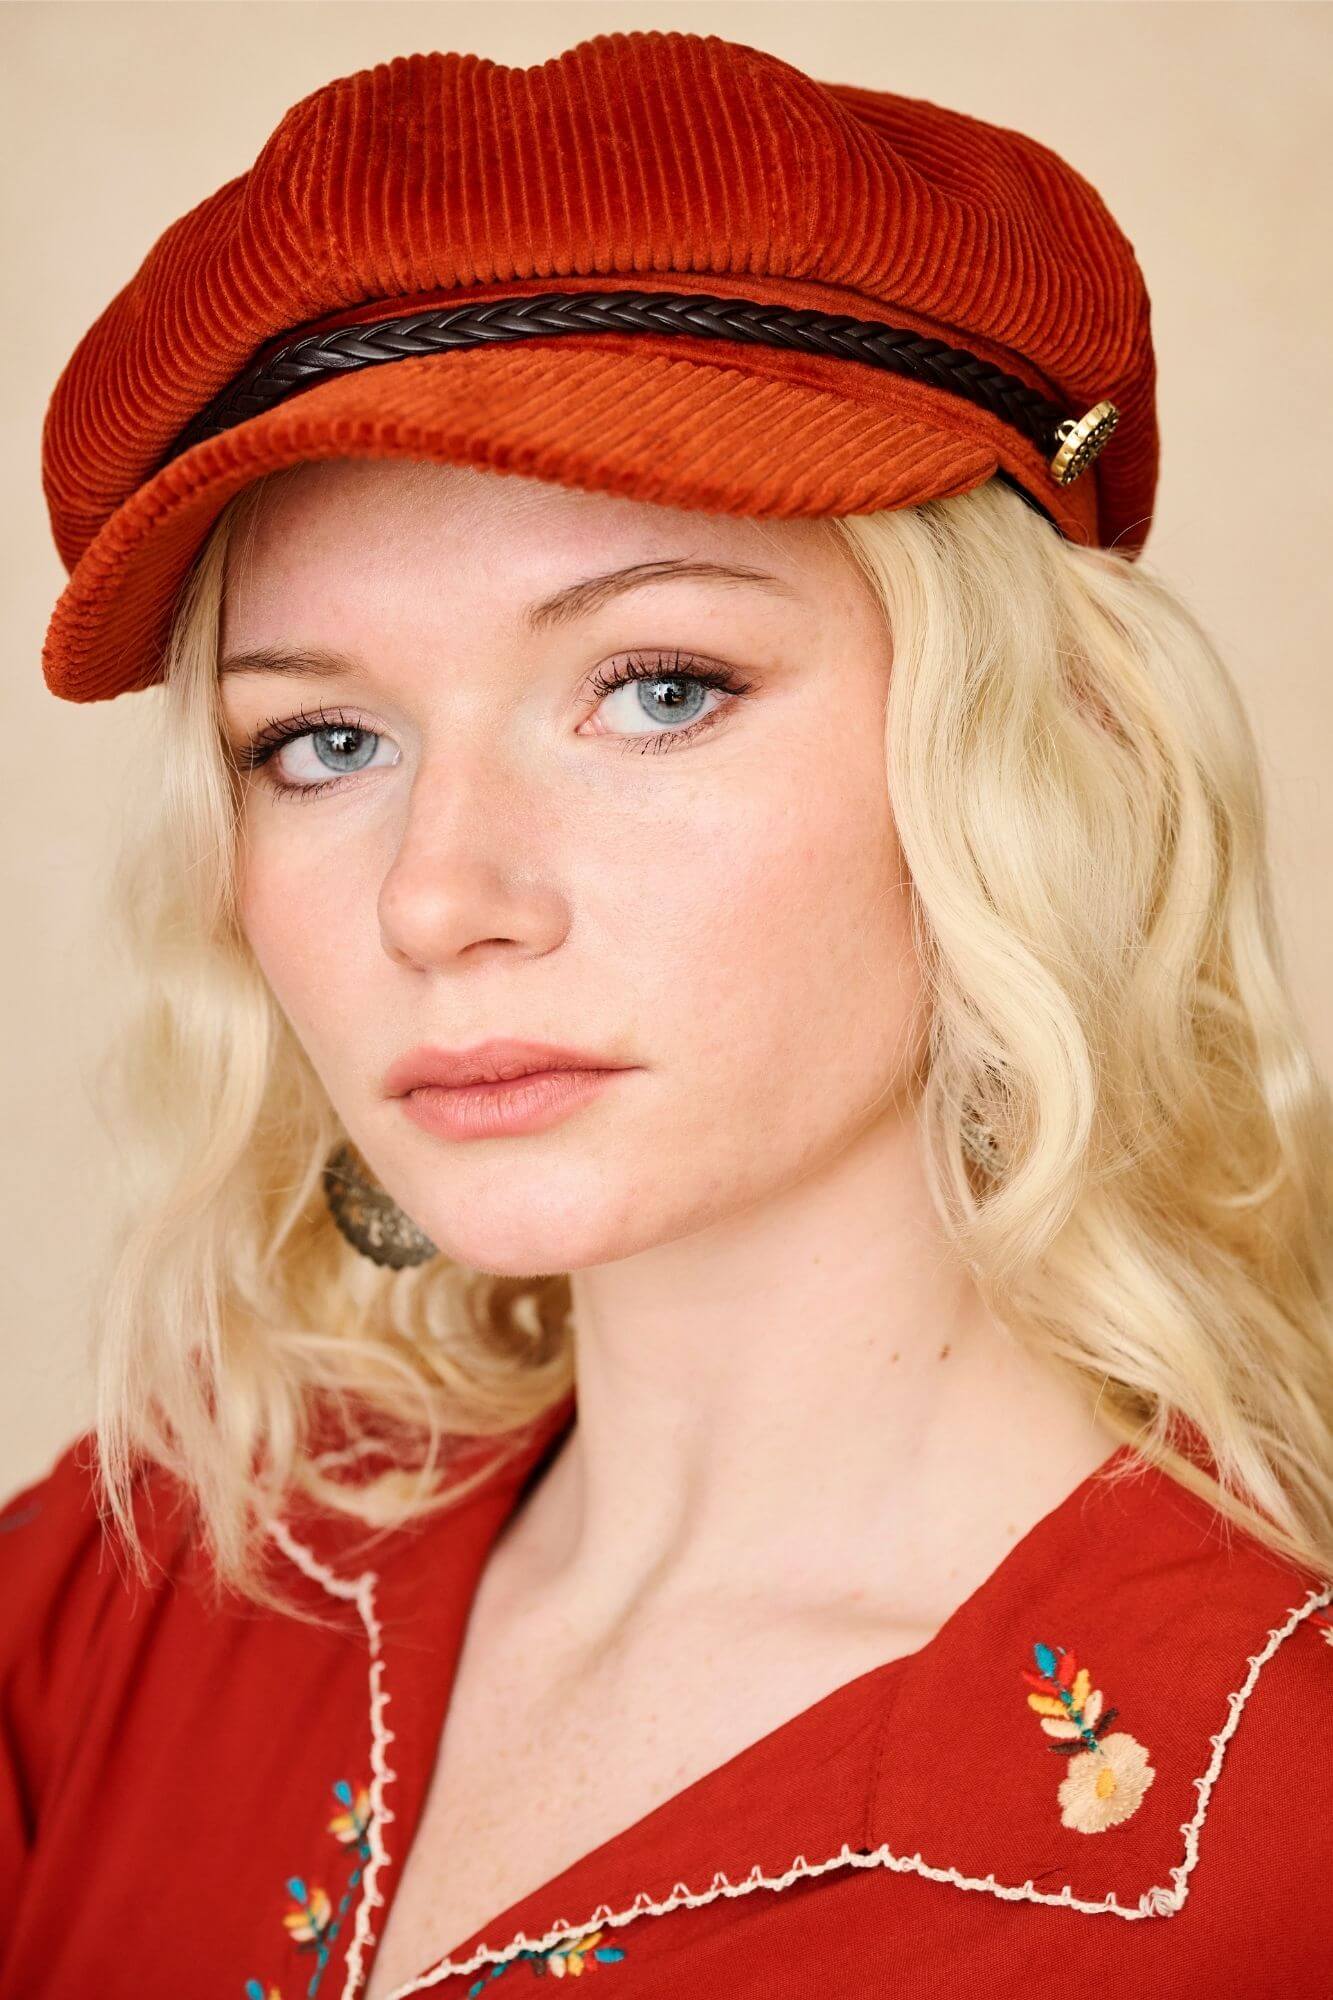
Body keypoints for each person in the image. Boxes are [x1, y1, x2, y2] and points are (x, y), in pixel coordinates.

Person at [5, 28, 1331, 2000]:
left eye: (657, 689)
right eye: (324, 739)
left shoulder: (1271, 1841)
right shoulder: (136, 1587)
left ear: (1047, 751)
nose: (440, 898)